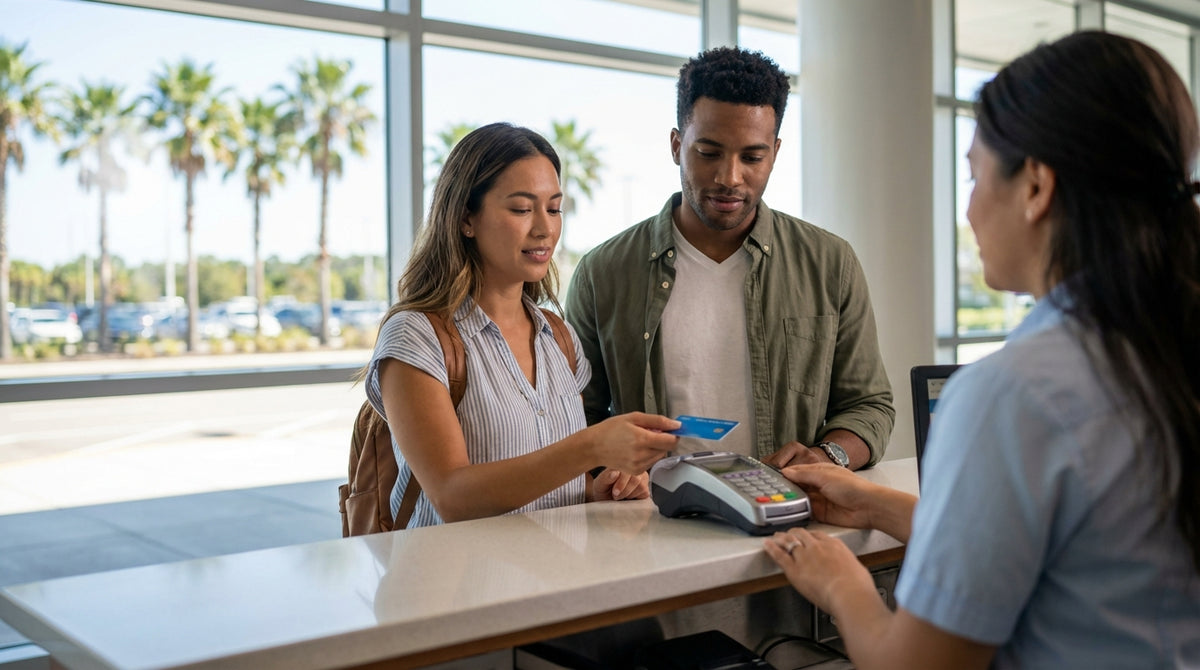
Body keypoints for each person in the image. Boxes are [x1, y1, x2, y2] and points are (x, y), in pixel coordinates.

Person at [764, 31, 1200, 669]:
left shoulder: (1015, 393)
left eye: (973, 176)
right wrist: (877, 504)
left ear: (1036, 187)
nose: (967, 209)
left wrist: (841, 584)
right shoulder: (1164, 354)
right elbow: (1084, 555)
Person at [566, 47, 893, 471]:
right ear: (676, 145)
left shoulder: (830, 264)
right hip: (646, 522)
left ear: (774, 153)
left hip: (785, 516)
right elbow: (576, 419)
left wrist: (827, 456)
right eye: (709, 153)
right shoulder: (603, 272)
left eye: (752, 157)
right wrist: (604, 476)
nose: (729, 178)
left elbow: (869, 405)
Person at [365, 122, 680, 527]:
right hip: (457, 588)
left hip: (555, 581)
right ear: (466, 219)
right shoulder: (416, 337)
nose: (545, 228)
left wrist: (594, 489)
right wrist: (591, 448)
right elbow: (451, 496)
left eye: (553, 208)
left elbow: (552, 482)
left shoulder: (557, 337)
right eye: (521, 209)